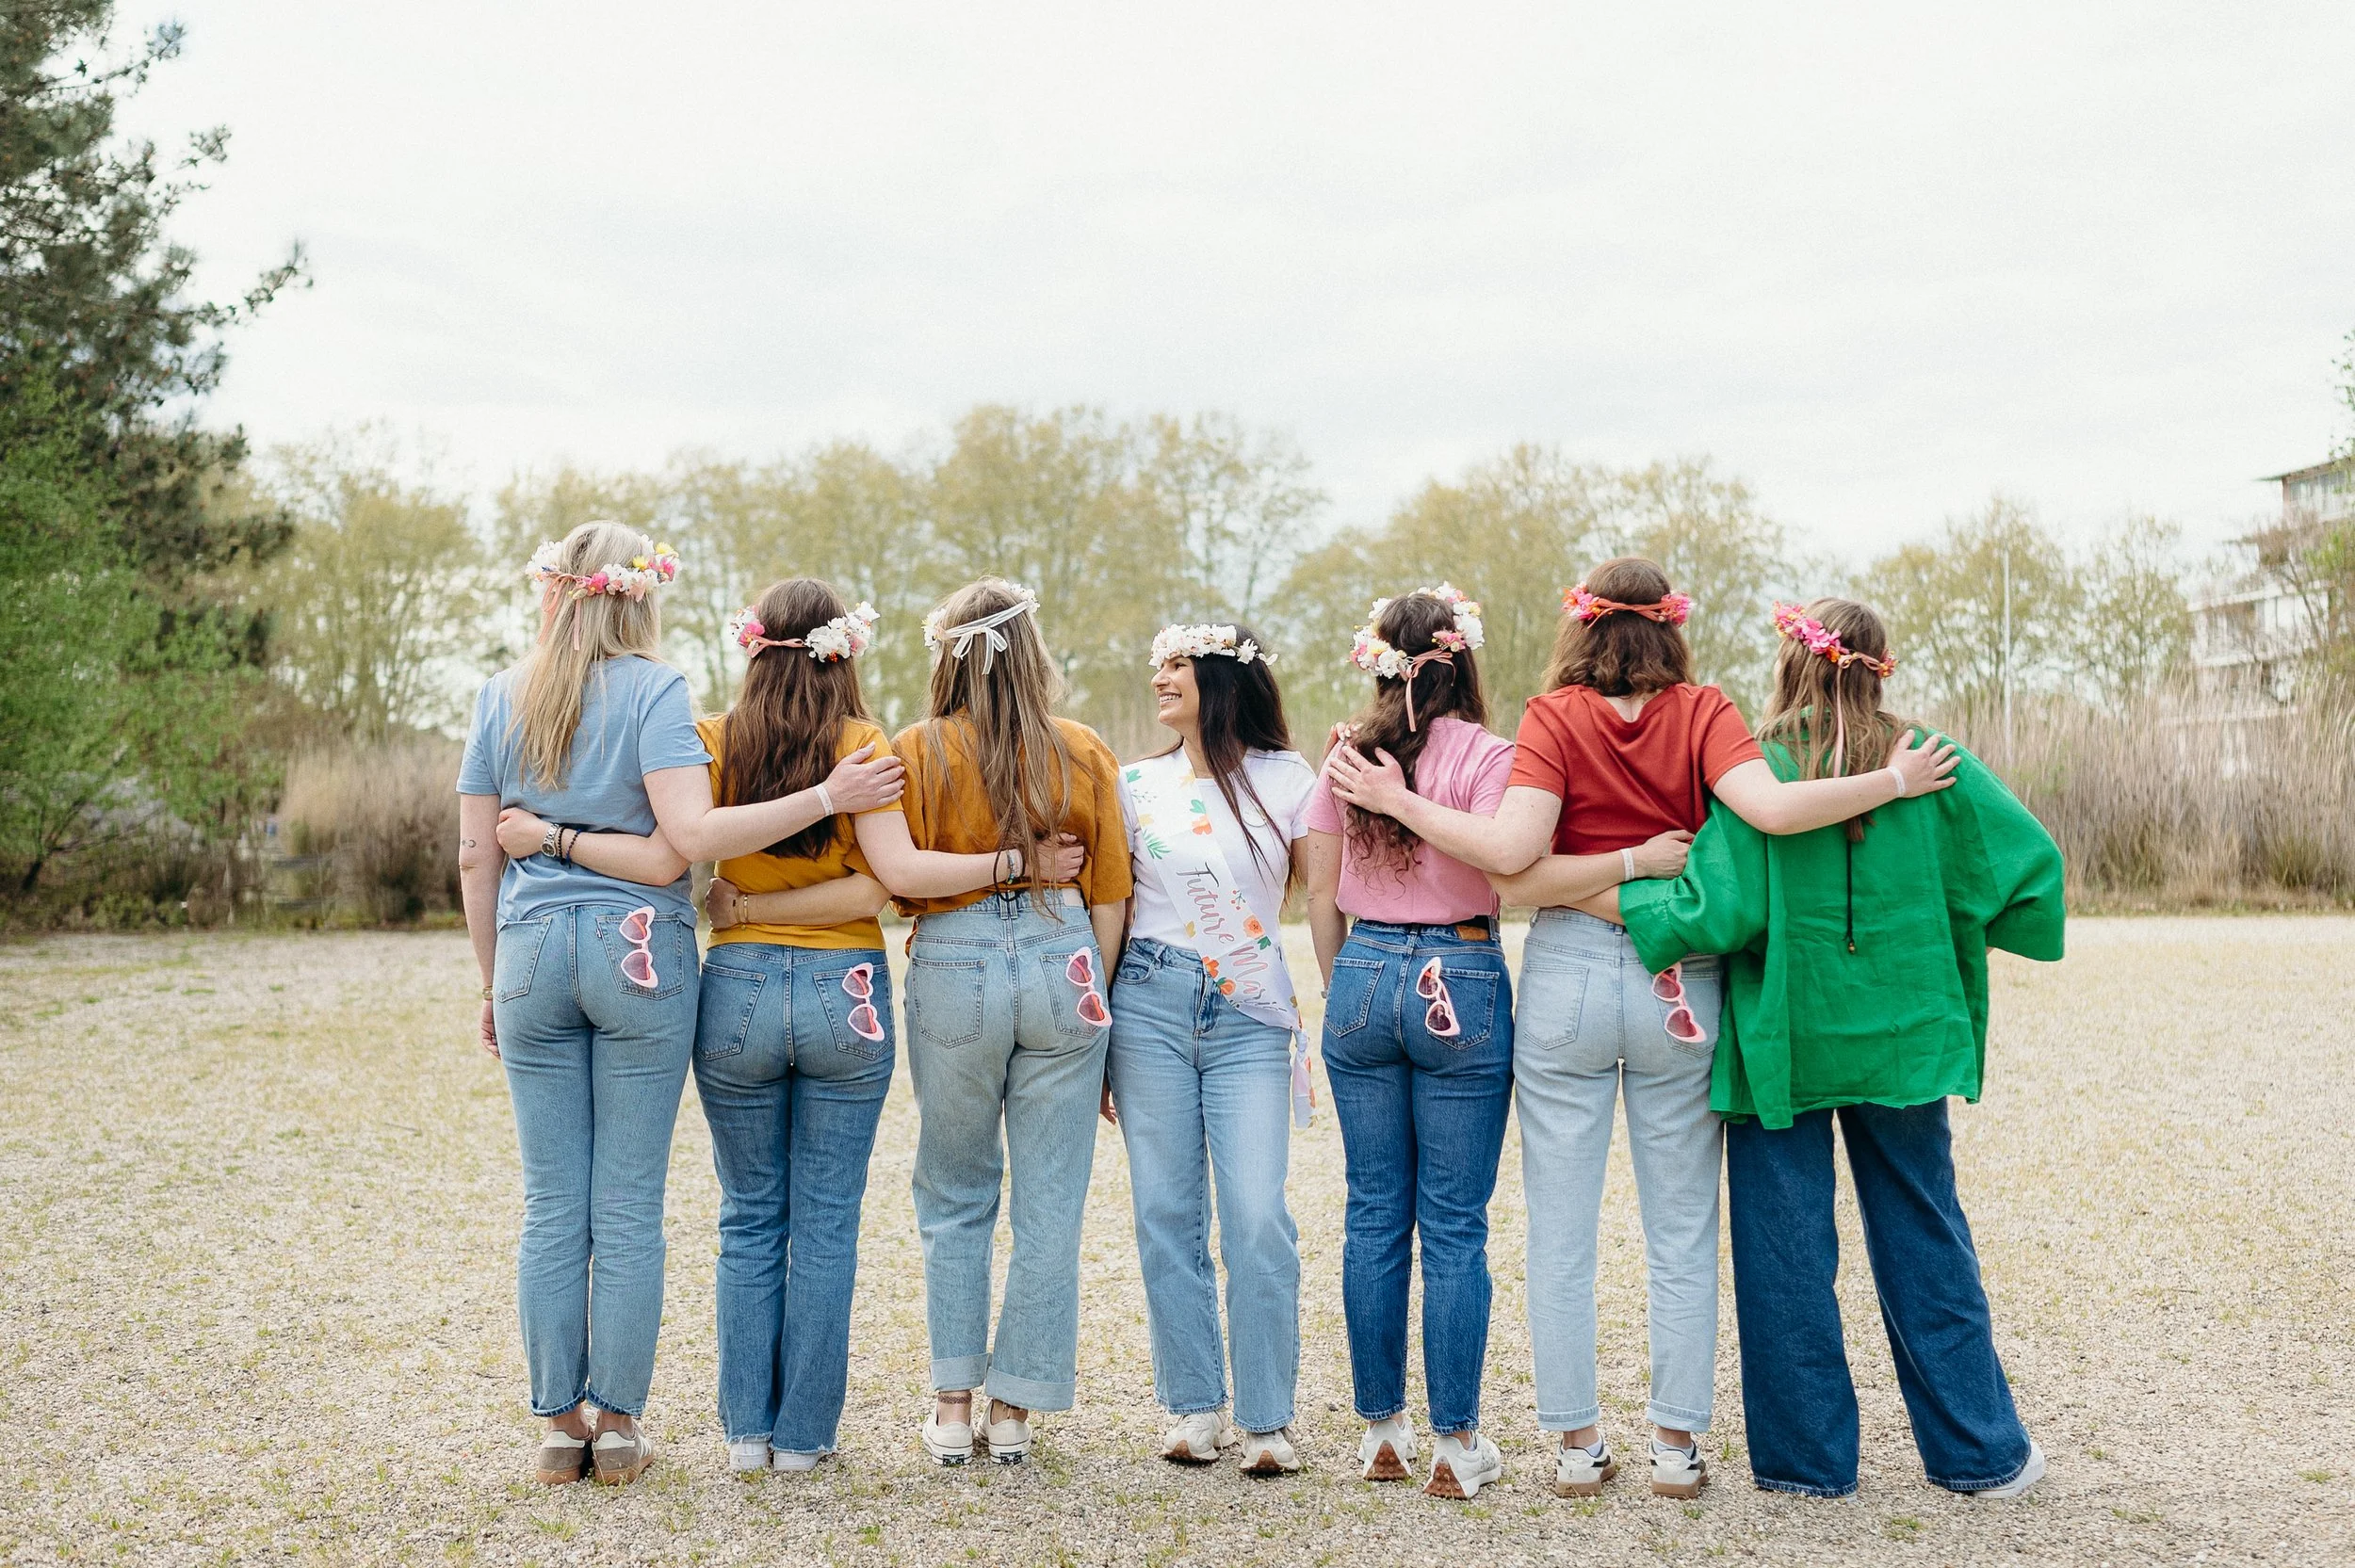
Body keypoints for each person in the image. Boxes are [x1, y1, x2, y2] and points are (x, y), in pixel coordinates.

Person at [1325, 558, 1957, 1501]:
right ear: (1670, 628)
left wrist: (1596, 870)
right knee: (1680, 1229)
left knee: (1562, 1231)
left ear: (1580, 629)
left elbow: (1513, 869)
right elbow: (1776, 814)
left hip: (1569, 973)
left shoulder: (1551, 719)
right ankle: (1673, 1447)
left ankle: (1576, 1446)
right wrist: (1894, 782)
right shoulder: (1705, 713)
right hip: (1679, 985)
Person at [500, 576, 1085, 1477]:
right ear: (843, 654)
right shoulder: (863, 745)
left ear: (752, 652)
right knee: (825, 1223)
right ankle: (806, 1439)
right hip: (842, 990)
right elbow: (884, 882)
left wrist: (734, 905)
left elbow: (688, 856)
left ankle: (744, 1436)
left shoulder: (709, 742)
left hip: (733, 985)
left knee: (746, 1219)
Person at [458, 525, 898, 1487]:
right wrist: (826, 793)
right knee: (625, 1205)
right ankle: (617, 1428)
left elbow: (474, 856)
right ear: (637, 598)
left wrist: (494, 978)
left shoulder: (498, 698)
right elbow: (674, 852)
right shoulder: (656, 692)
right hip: (638, 961)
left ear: (561, 593)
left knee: (549, 1203)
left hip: (531, 955)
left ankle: (555, 1425)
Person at [1610, 597, 2059, 1501]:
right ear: (1880, 665)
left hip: (1788, 1037)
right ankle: (1981, 1456)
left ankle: (1806, 1466)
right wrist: (1952, 924)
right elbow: (2027, 869)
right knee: (1924, 1231)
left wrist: (1613, 897)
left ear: (1790, 663)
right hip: (1905, 1036)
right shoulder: (1933, 759)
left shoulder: (1759, 766)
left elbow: (1714, 910)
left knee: (1784, 1248)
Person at [894, 578, 1132, 1467]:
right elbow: (1108, 897)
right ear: (1031, 652)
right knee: (1050, 1203)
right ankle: (1015, 1413)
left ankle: (952, 1407)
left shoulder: (916, 752)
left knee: (954, 1191)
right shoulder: (1081, 750)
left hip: (953, 960)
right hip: (1063, 955)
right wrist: (1092, 999)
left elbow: (902, 881)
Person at [1300, 584, 1519, 1501]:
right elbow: (1508, 856)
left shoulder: (1346, 759)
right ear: (1464, 659)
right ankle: (1454, 1441)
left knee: (1372, 1212)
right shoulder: (1491, 755)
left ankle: (1381, 1428)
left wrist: (1342, 983)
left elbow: (1317, 894)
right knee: (1455, 1223)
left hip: (1363, 968)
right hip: (1460, 974)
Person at [1102, 622, 1318, 1477]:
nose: (1160, 675)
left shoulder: (1288, 778)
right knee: (1165, 1211)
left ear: (1222, 676)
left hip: (1249, 1010)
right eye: (1158, 662)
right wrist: (1099, 1031)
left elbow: (1327, 889)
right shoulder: (1133, 784)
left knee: (1258, 1213)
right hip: (1149, 997)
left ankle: (1267, 1417)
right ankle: (1195, 1405)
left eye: (1178, 663)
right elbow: (1112, 908)